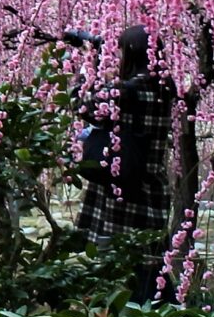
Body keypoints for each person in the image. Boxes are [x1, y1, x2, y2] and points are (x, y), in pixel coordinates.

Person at [75, 23, 175, 301]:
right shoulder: (166, 88)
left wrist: (89, 63)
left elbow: (81, 105)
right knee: (152, 265)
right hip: (152, 186)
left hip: (123, 191)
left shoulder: (126, 91)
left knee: (125, 270)